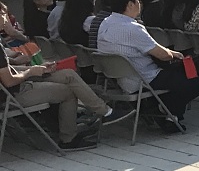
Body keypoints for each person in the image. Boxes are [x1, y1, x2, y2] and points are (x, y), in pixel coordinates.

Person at [95, 0, 199, 133]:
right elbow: (162, 54)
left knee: (177, 77)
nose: (140, 4)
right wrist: (174, 54)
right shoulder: (132, 28)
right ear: (130, 4)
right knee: (197, 81)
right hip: (144, 78)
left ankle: (165, 111)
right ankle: (169, 113)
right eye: (138, 1)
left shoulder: (105, 23)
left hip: (120, 78)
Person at [1, 55, 135, 150]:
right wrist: (30, 72)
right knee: (68, 92)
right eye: (2, 14)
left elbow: (6, 71)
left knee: (68, 75)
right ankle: (68, 138)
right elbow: (9, 81)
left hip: (18, 84)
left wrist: (38, 68)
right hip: (13, 95)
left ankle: (105, 111)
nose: (5, 18)